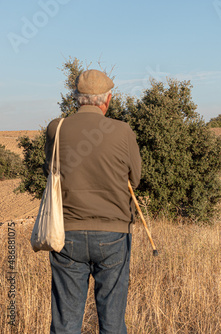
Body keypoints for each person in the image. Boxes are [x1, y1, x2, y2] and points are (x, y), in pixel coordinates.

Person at [43, 69, 141, 333]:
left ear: (77, 98)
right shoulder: (122, 130)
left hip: (67, 234)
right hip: (114, 235)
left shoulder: (56, 127)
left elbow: (49, 171)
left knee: (65, 323)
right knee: (112, 322)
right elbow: (137, 178)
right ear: (107, 100)